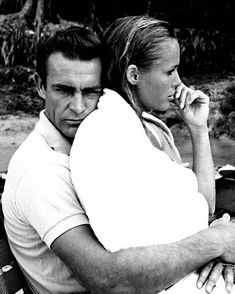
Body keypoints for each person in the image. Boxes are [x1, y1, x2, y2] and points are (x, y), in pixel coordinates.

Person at [1, 23, 234, 294]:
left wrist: (198, 130)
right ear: (40, 86)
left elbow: (197, 212)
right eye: (64, 90)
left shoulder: (132, 135)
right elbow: (109, 280)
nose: (78, 107)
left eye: (91, 91)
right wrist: (213, 244)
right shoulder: (41, 171)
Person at [69, 15, 235, 293]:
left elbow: (202, 208)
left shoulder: (150, 128)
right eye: (170, 72)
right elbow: (131, 246)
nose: (179, 83)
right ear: (133, 75)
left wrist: (198, 129)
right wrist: (216, 244)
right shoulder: (105, 135)